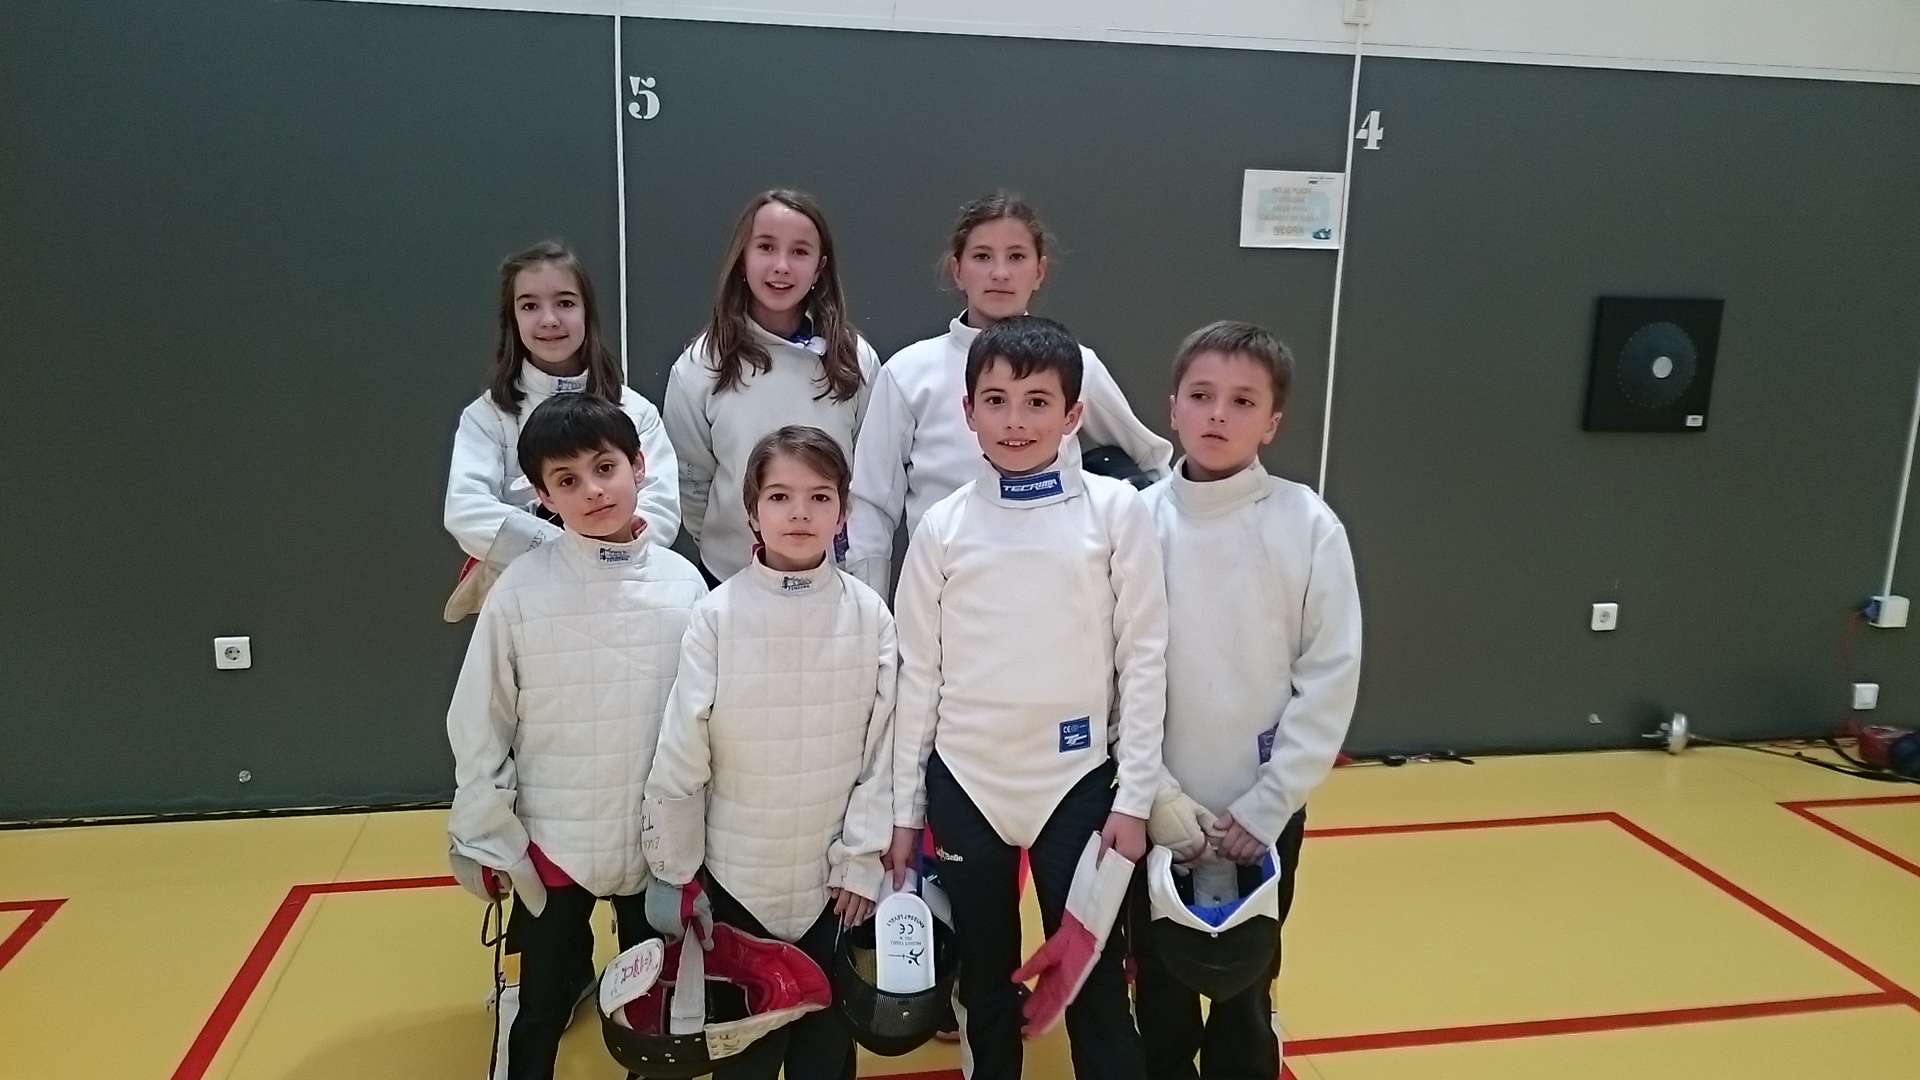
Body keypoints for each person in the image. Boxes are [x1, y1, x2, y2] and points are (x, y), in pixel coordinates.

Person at [890, 316, 1167, 1080]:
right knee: (982, 983)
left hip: (1078, 788)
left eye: (1038, 402)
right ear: (967, 411)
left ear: (1074, 414)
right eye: (996, 401)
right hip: (966, 787)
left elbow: (1145, 662)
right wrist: (905, 812)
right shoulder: (943, 527)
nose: (1016, 421)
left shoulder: (1117, 513)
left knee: (1094, 984)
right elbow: (917, 674)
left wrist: (1134, 799)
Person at [445, 392, 707, 1080]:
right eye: (567, 480)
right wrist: (484, 828)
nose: (592, 490)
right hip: (554, 843)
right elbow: (480, 716)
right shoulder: (520, 589)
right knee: (540, 1004)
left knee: (650, 1008)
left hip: (654, 843)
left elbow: (711, 721)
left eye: (605, 468)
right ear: (542, 496)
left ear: (638, 466)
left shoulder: (685, 586)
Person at [1134, 321, 1362, 1080]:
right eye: (1201, 395)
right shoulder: (1135, 523)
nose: (1217, 415)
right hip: (1157, 806)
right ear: (1172, 407)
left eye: (1242, 401)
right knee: (1161, 987)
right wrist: (1155, 798)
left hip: (1262, 812)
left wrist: (1269, 803)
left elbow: (1329, 675)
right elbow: (1112, 672)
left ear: (1272, 422)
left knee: (1245, 987)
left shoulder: (1308, 525)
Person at [642, 425, 896, 1080]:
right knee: (745, 1060)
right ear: (752, 511)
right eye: (780, 497)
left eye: (819, 497)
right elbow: (682, 750)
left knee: (825, 1056)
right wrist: (676, 872)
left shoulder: (871, 616)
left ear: (843, 509)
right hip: (736, 880)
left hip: (832, 889)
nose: (800, 513)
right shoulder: (716, 615)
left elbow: (885, 751)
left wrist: (862, 861)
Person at [846, 192, 1172, 594]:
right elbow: (870, 508)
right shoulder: (909, 372)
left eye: (1016, 257)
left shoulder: (1075, 363)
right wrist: (870, 611)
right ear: (957, 270)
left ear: (1039, 271)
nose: (1000, 273)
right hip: (947, 594)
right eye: (982, 256)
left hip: (1059, 592)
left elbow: (1151, 460)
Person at [444, 241, 678, 620]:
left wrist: (603, 558)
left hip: (622, 598)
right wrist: (566, 553)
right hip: (525, 604)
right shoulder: (487, 416)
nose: (549, 319)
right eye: (530, 306)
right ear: (512, 319)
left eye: (565, 303)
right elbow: (466, 510)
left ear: (587, 312)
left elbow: (660, 510)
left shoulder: (635, 411)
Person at [664, 190, 879, 583]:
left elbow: (868, 475)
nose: (781, 266)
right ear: (742, 259)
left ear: (819, 268)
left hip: (830, 577)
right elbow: (691, 484)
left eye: (799, 252)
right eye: (765, 247)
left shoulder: (854, 359)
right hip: (730, 576)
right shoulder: (700, 366)